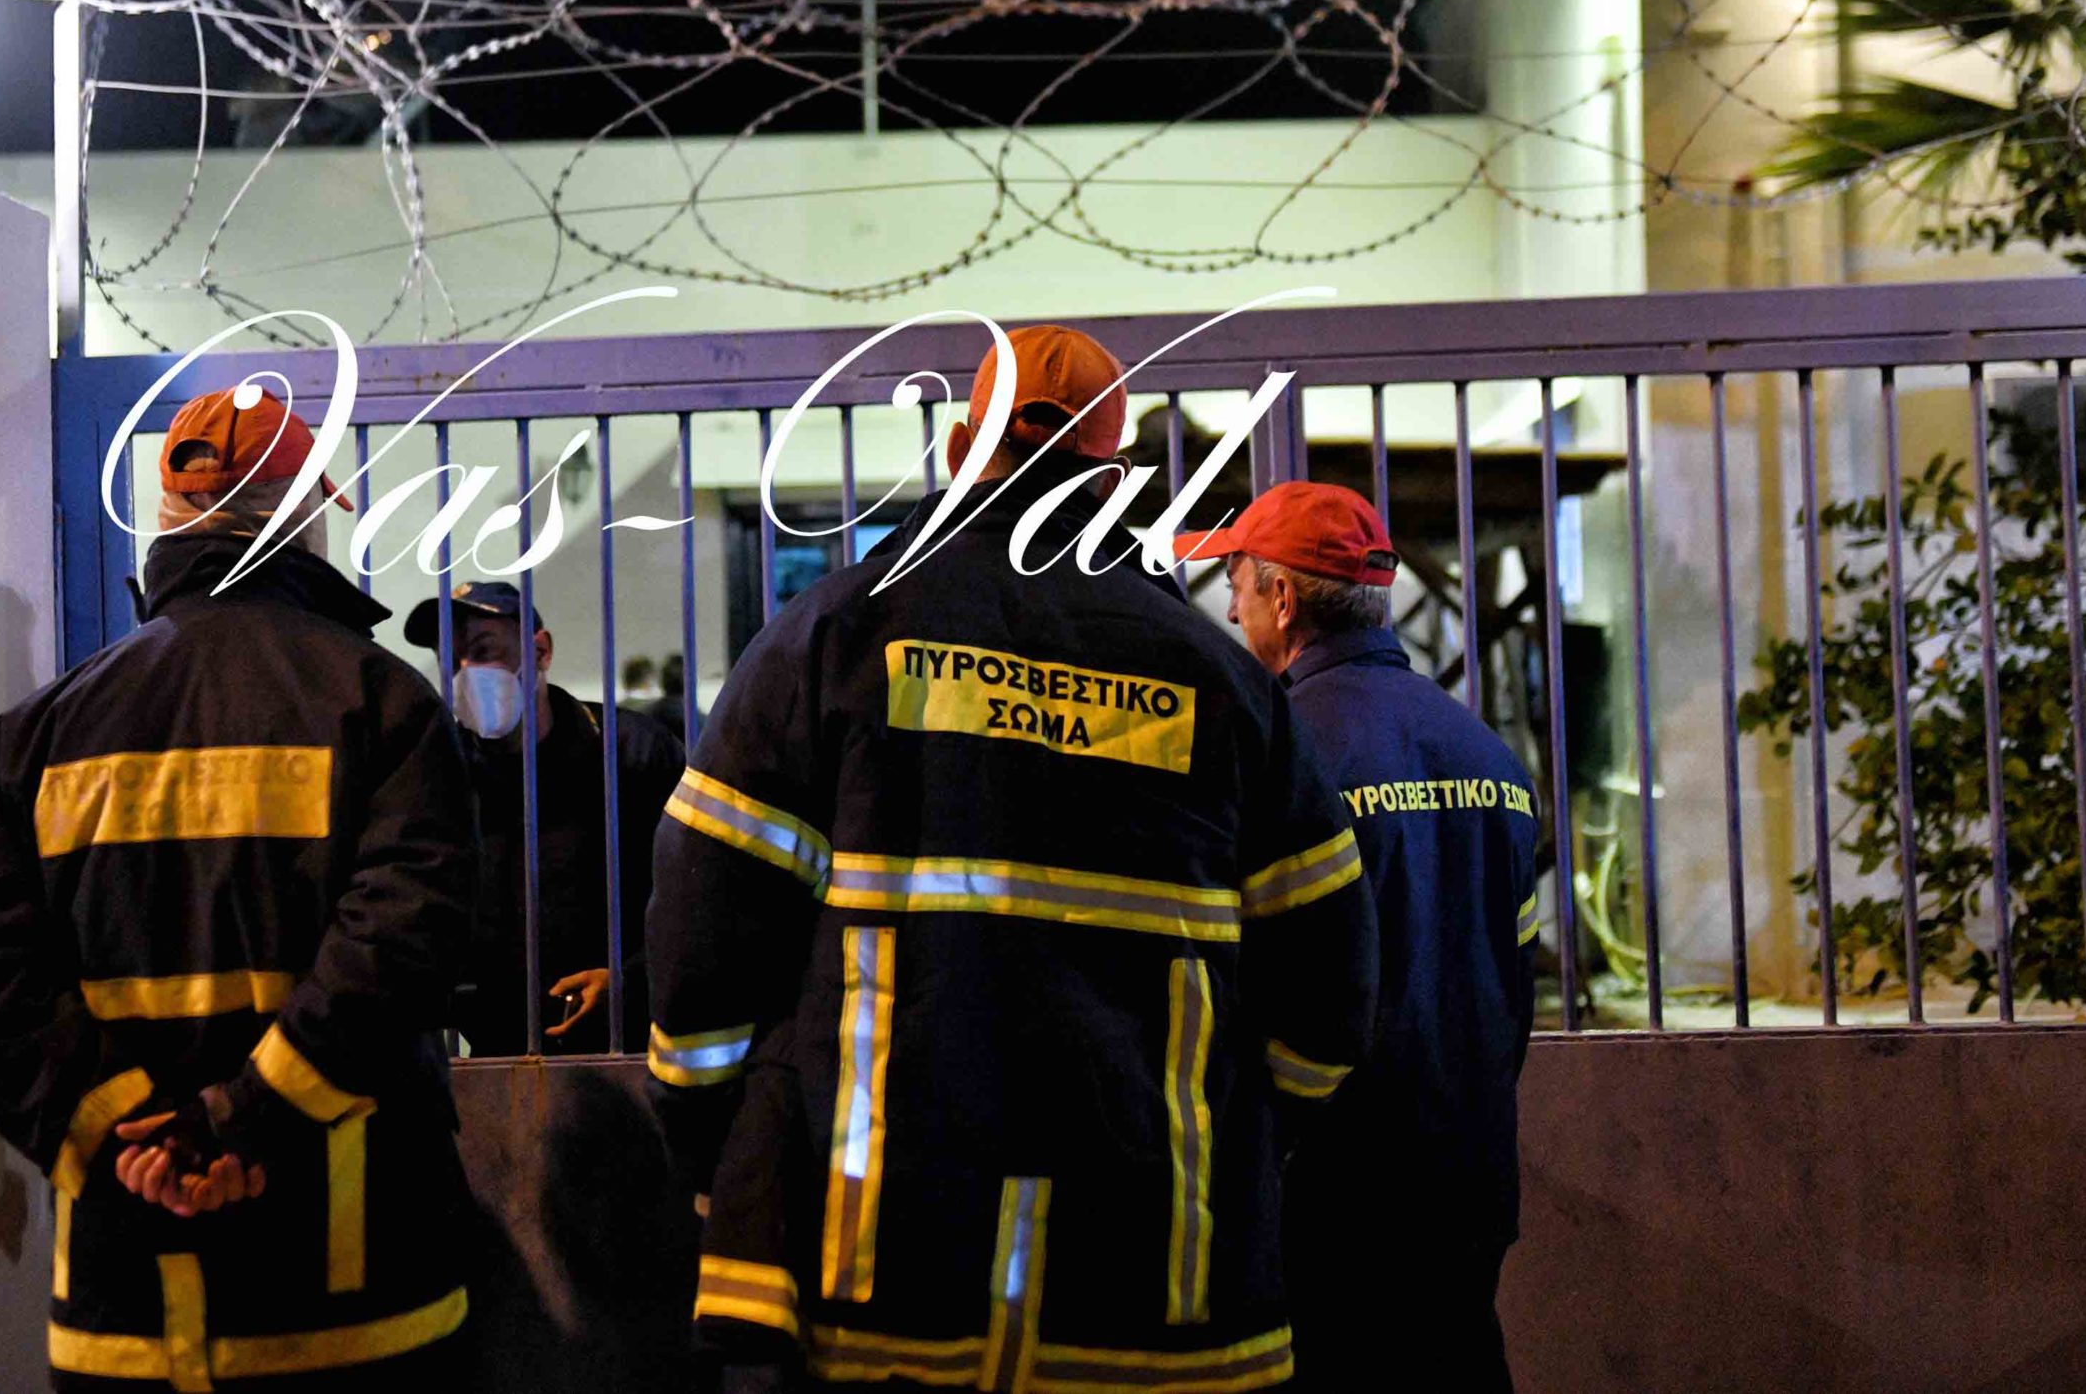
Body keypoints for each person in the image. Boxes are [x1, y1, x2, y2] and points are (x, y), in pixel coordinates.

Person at [644, 325, 1377, 1391]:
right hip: (1153, 1275)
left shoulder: (835, 636)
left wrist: (715, 1133)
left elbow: (705, 918)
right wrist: (1239, 1137)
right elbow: (1330, 987)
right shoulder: (1222, 683)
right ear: (1113, 479)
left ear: (958, 449)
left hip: (884, 1262)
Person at [0, 386, 482, 1391]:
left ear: (169, 524)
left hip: (125, 1312)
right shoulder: (383, 704)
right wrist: (241, 1119)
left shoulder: (41, 733)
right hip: (357, 1304)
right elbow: (404, 942)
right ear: (304, 522)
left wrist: (119, 1129)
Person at [1176, 480, 1540, 1394]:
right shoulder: (1487, 753)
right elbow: (1515, 983)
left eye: (1238, 583)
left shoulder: (1282, 753)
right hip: (1467, 1178)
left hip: (1332, 1193)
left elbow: (1267, 981)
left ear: (1283, 597)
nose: (1231, 609)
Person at [409, 580, 684, 1055]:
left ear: (540, 651)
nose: (465, 672)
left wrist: (631, 978)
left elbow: (689, 890)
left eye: (483, 650)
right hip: (497, 1045)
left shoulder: (628, 751)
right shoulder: (439, 770)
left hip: (629, 1040)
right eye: (450, 660)